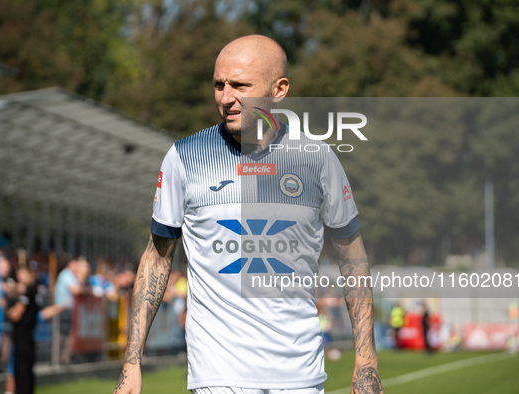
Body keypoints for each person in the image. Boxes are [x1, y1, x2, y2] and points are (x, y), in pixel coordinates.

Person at [113, 35, 382, 394]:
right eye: (219, 85)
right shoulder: (184, 158)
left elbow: (353, 258)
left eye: (240, 85)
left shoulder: (317, 159)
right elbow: (157, 259)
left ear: (279, 89)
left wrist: (366, 363)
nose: (226, 98)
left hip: (301, 376)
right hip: (218, 377)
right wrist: (132, 362)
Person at [7, 267, 39, 394]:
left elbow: (15, 316)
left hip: (23, 338)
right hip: (27, 337)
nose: (20, 277)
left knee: (22, 372)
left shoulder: (28, 293)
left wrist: (4, 308)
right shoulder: (35, 291)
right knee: (26, 372)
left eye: (23, 274)